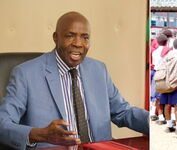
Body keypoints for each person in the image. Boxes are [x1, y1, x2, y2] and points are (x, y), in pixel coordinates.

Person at [0, 12, 149, 149]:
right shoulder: (26, 74)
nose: (78, 43)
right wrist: (39, 134)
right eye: (70, 35)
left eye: (85, 37)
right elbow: (2, 123)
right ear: (55, 37)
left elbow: (122, 112)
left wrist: (156, 124)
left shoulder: (98, 70)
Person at [150, 34, 168, 124]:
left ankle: (157, 114)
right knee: (165, 96)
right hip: (165, 74)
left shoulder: (154, 52)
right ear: (166, 42)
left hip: (156, 73)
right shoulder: (168, 51)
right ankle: (166, 117)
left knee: (156, 96)